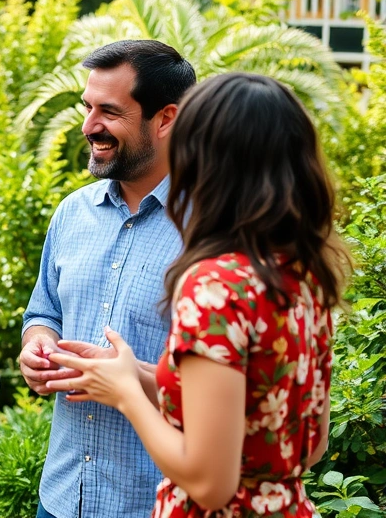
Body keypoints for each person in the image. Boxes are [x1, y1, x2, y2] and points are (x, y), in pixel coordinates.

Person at [46, 72, 347, 517]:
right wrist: (137, 373)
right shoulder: (303, 278)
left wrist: (126, 391)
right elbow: (310, 445)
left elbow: (208, 483)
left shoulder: (215, 287)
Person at [19, 40, 197, 518]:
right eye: (87, 107)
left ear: (166, 119)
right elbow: (44, 311)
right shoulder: (72, 214)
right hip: (60, 497)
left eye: (109, 112)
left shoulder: (212, 232)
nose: (88, 126)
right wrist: (37, 344)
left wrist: (128, 379)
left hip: (153, 504)